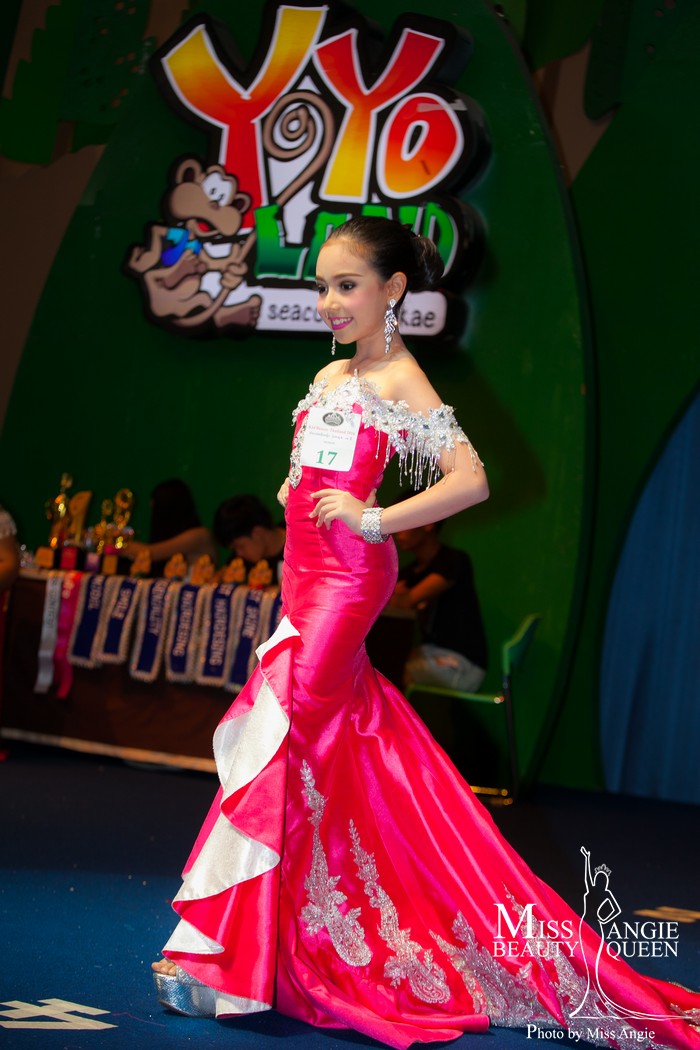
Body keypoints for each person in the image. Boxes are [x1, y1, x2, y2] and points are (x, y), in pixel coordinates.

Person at [151, 218, 700, 1049]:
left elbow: (471, 480)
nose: (330, 302)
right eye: (323, 286)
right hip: (302, 580)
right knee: (318, 752)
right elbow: (310, 475)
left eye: (347, 286)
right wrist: (298, 493)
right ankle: (283, 938)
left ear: (394, 289)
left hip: (347, 584)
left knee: (278, 734)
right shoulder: (331, 372)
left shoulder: (403, 377)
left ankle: (231, 959)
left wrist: (373, 518)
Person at [391, 515, 487, 692]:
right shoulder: (409, 573)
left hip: (462, 663)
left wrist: (393, 596)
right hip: (429, 652)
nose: (398, 532)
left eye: (404, 521)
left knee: (396, 672)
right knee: (384, 662)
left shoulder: (454, 561)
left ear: (429, 523)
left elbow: (405, 601)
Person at [122, 478, 218, 576]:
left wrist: (118, 543)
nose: (151, 506)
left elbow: (150, 553)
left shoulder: (199, 535)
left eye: (156, 504)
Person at [213, 493, 286, 583]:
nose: (239, 553)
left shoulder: (299, 544)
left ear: (257, 533)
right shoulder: (241, 560)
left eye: (240, 546)